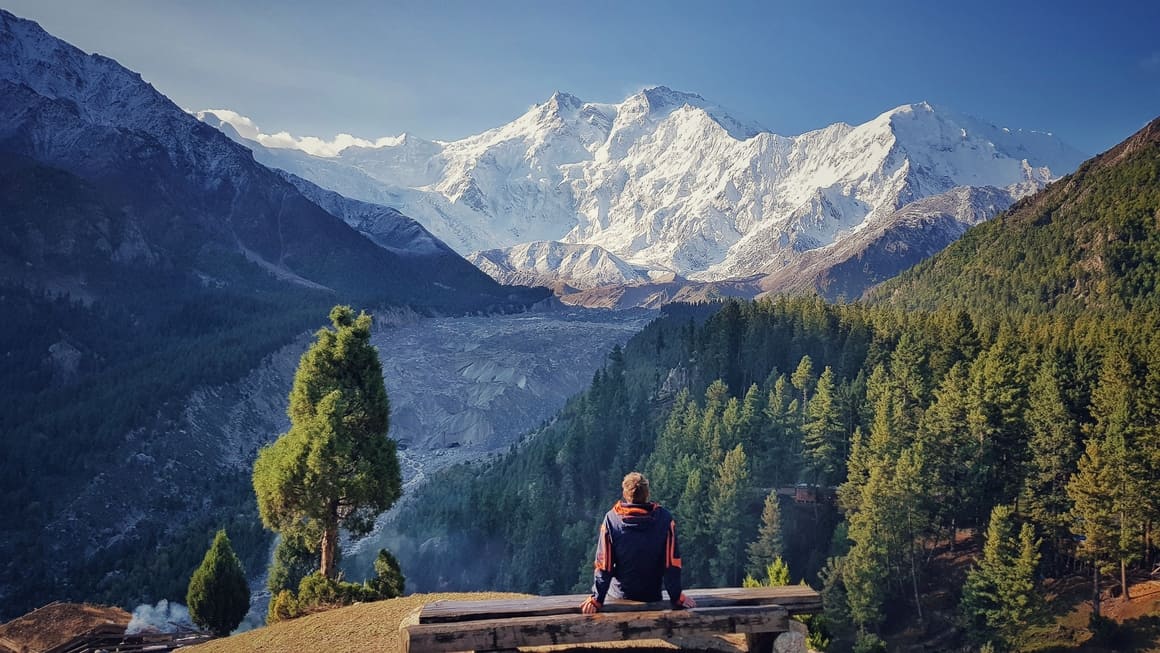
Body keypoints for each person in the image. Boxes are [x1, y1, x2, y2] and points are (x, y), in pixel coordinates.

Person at [580, 472, 697, 613]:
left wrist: (597, 599)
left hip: (620, 595)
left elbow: (604, 565)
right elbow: (671, 564)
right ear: (647, 494)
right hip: (652, 594)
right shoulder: (664, 519)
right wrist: (677, 597)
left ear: (625, 493)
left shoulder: (612, 520)